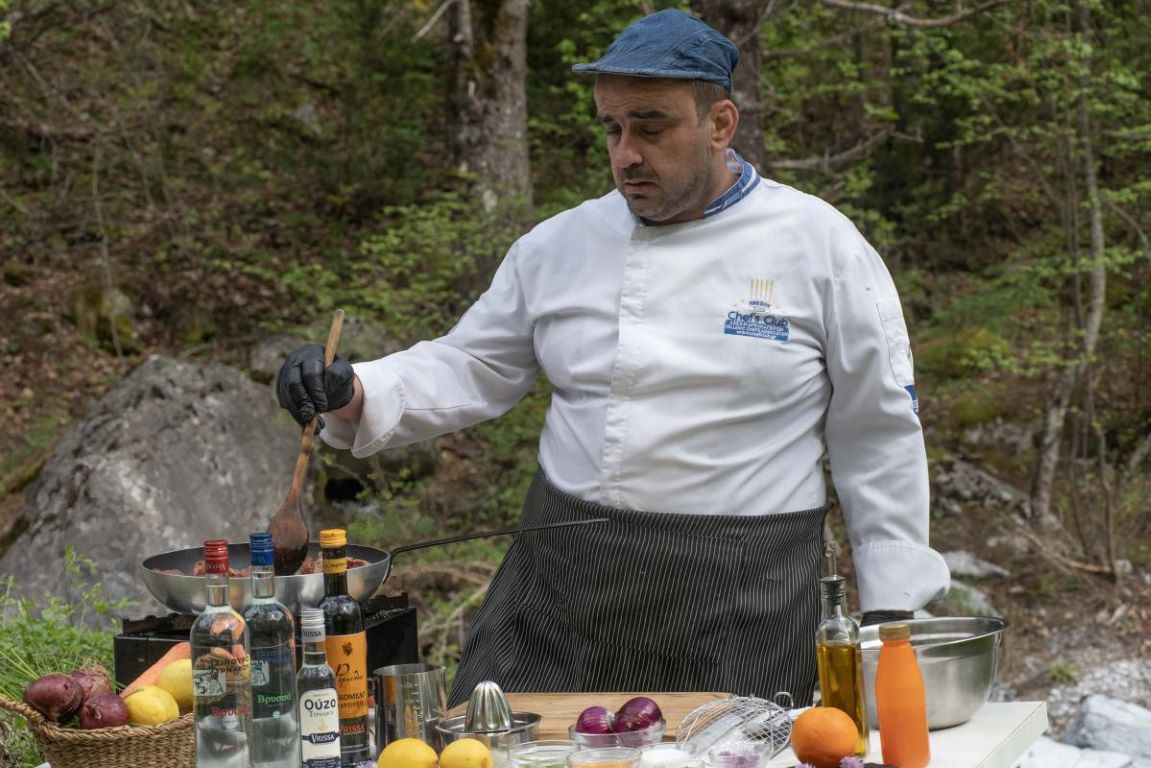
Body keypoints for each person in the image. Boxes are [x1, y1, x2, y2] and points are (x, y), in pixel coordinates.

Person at [276, 9, 949, 707]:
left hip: (746, 589)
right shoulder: (559, 246)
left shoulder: (821, 246)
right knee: (493, 743)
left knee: (736, 752)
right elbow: (472, 364)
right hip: (565, 582)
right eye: (612, 128)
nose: (626, 153)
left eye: (651, 128)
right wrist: (353, 388)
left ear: (719, 124)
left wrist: (891, 605)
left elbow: (878, 430)